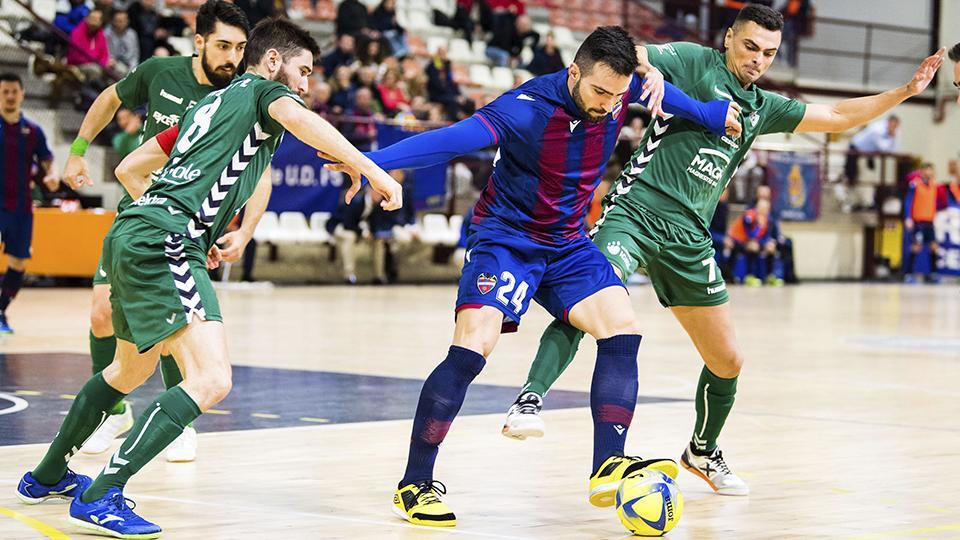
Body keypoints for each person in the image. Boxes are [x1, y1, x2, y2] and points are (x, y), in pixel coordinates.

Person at [500, 4, 943, 499]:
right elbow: (634, 53)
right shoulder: (694, 61)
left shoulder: (764, 106)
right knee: (595, 301)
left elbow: (837, 114)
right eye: (750, 46)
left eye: (769, 53)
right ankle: (530, 398)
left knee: (727, 359)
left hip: (690, 237)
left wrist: (905, 92)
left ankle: (702, 451)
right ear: (730, 38)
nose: (758, 59)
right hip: (636, 211)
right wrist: (650, 74)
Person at [321, 25, 739, 526]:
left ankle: (608, 463)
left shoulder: (624, 89)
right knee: (473, 347)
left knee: (622, 327)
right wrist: (366, 162)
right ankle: (415, 485)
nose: (608, 105)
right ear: (574, 73)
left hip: (566, 244)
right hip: (507, 241)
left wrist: (712, 114)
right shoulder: (525, 107)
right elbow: (449, 140)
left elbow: (671, 99)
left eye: (617, 95)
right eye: (599, 92)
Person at [16, 17, 402, 538]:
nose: (308, 85)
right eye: (304, 70)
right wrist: (373, 168)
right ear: (272, 62)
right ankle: (103, 492)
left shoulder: (206, 107)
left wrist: (181, 223)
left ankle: (47, 474)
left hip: (136, 231)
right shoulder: (265, 93)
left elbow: (132, 166)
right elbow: (301, 118)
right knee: (212, 378)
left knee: (127, 372)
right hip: (165, 239)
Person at [60, 0, 251, 464]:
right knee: (102, 315)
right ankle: (115, 413)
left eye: (240, 48)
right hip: (137, 216)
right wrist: (78, 151)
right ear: (199, 42)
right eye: (223, 46)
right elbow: (109, 99)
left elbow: (257, 172)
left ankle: (179, 422)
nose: (232, 58)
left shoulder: (241, 97)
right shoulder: (159, 72)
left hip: (189, 225)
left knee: (172, 326)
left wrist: (243, 231)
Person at [0, 73, 59, 334]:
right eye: (5, 92)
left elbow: (47, 161)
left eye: (14, 91)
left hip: (21, 208)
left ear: (22, 94)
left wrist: (53, 175)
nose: (10, 96)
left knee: (18, 264)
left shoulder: (33, 131)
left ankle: (1, 311)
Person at [902, 163, 940, 283]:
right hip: (918, 221)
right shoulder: (915, 184)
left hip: (930, 221)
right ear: (922, 171)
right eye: (927, 170)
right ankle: (908, 274)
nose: (929, 173)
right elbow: (908, 201)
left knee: (933, 247)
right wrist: (908, 217)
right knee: (916, 247)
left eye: (931, 170)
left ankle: (933, 274)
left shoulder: (935, 185)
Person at [104, 10, 139, 74]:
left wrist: (133, 69)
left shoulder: (132, 34)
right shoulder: (107, 34)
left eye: (123, 21)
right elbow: (107, 53)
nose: (121, 23)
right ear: (113, 21)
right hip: (114, 63)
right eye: (118, 21)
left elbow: (135, 55)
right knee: (120, 70)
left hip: (129, 64)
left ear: (127, 21)